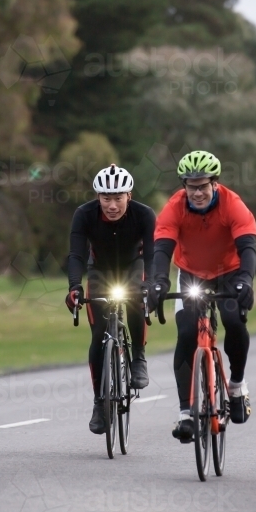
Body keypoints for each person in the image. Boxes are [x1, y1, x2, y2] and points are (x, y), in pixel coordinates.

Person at [149, 150, 256, 443]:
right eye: (191, 185)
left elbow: (248, 247)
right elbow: (161, 248)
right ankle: (186, 414)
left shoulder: (232, 204)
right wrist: (158, 281)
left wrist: (246, 279)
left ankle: (236, 387)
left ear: (215, 183)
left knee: (234, 321)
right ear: (183, 185)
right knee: (186, 333)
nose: (197, 192)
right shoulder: (174, 207)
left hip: (229, 273)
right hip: (191, 274)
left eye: (203, 185)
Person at [66, 164, 155, 435]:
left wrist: (151, 284)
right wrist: (74, 287)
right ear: (98, 197)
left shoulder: (144, 214)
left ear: (129, 195)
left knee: (136, 299)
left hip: (133, 266)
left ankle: (138, 358)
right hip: (100, 271)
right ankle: (99, 401)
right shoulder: (84, 215)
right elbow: (77, 254)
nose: (112, 205)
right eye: (106, 198)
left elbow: (153, 253)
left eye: (118, 198)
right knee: (98, 337)